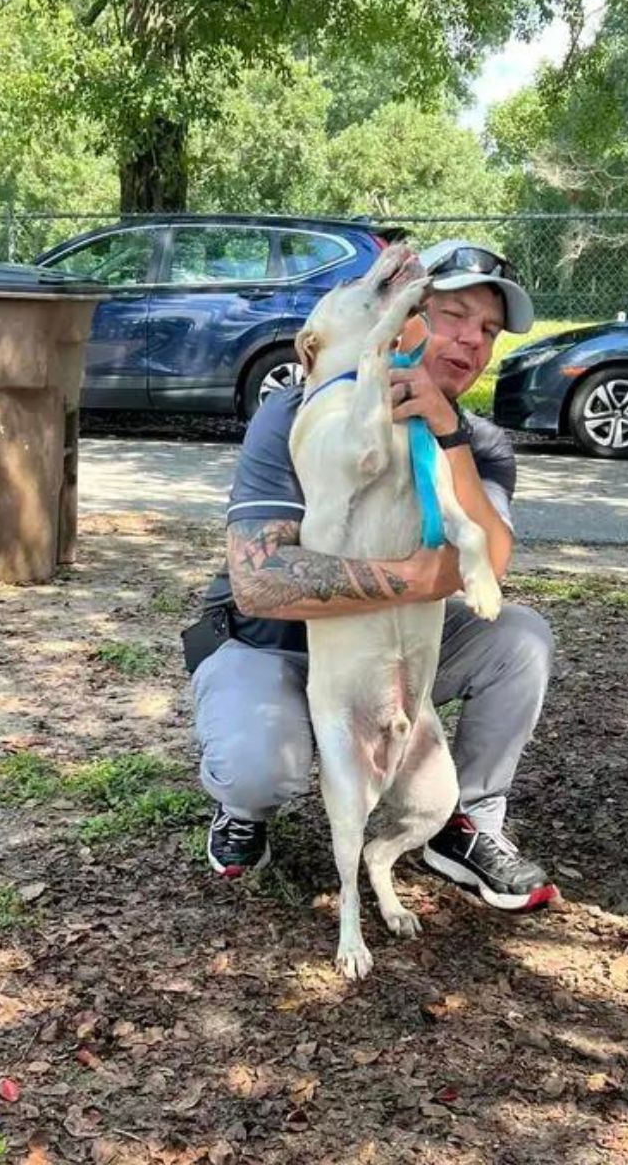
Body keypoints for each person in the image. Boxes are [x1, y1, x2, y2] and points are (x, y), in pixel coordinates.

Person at [186, 240, 557, 910]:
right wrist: (422, 574)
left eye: (489, 330)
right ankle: (244, 808)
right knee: (258, 766)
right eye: (453, 314)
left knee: (520, 641)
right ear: (404, 314)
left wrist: (446, 433)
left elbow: (491, 568)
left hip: (386, 648)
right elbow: (261, 580)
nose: (471, 341)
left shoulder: (481, 441)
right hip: (269, 643)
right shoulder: (303, 413)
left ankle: (464, 821)